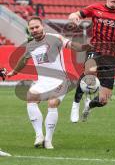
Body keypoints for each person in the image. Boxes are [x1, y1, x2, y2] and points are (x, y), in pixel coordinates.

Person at [7, 16, 90, 149]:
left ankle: (48, 140)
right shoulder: (30, 45)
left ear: (42, 27)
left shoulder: (55, 38)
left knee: (52, 103)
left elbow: (71, 45)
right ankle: (39, 136)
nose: (34, 30)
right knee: (30, 98)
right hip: (43, 81)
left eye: (37, 27)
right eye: (31, 28)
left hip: (60, 80)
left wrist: (84, 47)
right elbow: (23, 59)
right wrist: (14, 72)